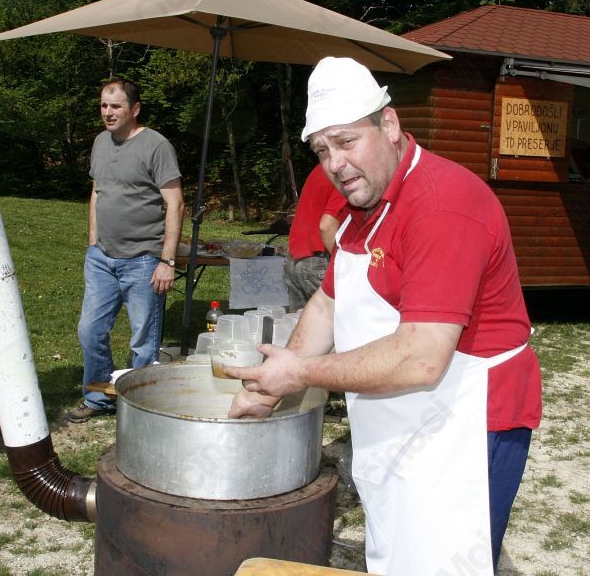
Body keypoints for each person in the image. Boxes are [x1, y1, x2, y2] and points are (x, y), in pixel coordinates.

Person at [227, 57, 542, 575]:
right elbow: (328, 302)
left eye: (346, 141)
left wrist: (300, 374)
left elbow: (421, 359)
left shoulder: (442, 205)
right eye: (322, 150)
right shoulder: (364, 207)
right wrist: (267, 387)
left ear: (389, 124)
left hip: (465, 425)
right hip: (403, 416)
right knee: (399, 555)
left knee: (444, 565)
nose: (335, 163)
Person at [64, 78, 184, 423]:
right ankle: (98, 397)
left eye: (115, 106)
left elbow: (175, 204)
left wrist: (167, 261)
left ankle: (139, 407)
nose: (107, 112)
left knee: (143, 339)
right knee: (90, 330)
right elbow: (97, 191)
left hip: (143, 259)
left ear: (135, 109)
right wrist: (92, 240)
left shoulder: (156, 146)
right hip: (101, 257)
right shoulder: (100, 142)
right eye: (103, 105)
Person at [282, 165, 347, 312]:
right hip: (318, 260)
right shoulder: (346, 176)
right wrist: (345, 263)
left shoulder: (322, 168)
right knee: (333, 323)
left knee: (300, 323)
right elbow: (327, 226)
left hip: (294, 258)